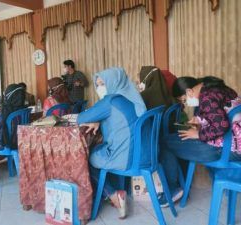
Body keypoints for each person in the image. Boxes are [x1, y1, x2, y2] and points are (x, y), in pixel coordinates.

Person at [159, 76, 241, 207]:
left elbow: (222, 125)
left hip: (226, 150)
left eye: (184, 100)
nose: (185, 104)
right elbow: (221, 113)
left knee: (164, 142)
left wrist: (198, 134)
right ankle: (179, 187)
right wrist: (200, 120)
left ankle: (173, 189)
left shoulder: (206, 98)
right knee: (176, 139)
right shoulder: (218, 89)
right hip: (234, 146)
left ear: (189, 91)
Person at [77, 67, 147, 218]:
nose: (100, 88)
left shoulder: (110, 100)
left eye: (103, 83)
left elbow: (81, 118)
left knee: (85, 158)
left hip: (127, 159)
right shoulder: (131, 96)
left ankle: (114, 194)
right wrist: (99, 121)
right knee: (103, 149)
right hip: (145, 154)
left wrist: (95, 119)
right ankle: (113, 190)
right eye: (98, 84)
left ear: (113, 82)